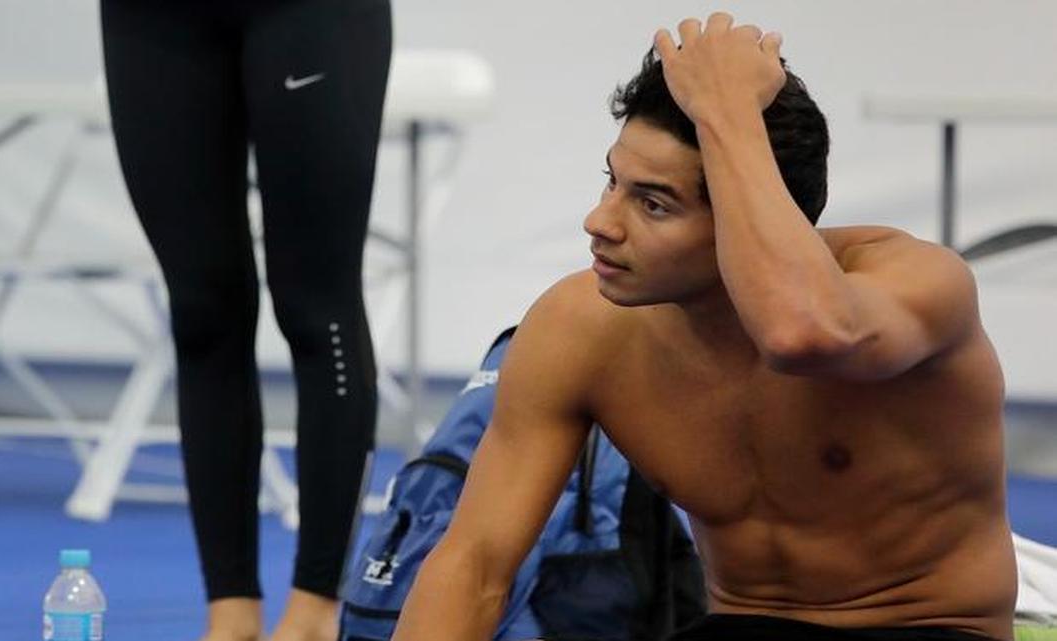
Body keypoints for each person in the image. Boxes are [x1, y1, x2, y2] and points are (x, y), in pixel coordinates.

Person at [391, 12, 1016, 641]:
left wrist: (726, 112)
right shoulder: (580, 327)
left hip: (927, 625)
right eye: (613, 181)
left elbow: (804, 334)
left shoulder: (917, 281)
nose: (599, 222)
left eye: (653, 203)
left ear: (747, 216)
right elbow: (473, 567)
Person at [99, 1, 391, 640]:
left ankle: (314, 610)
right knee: (203, 310)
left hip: (309, 13)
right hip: (152, 20)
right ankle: (229, 615)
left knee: (318, 307)